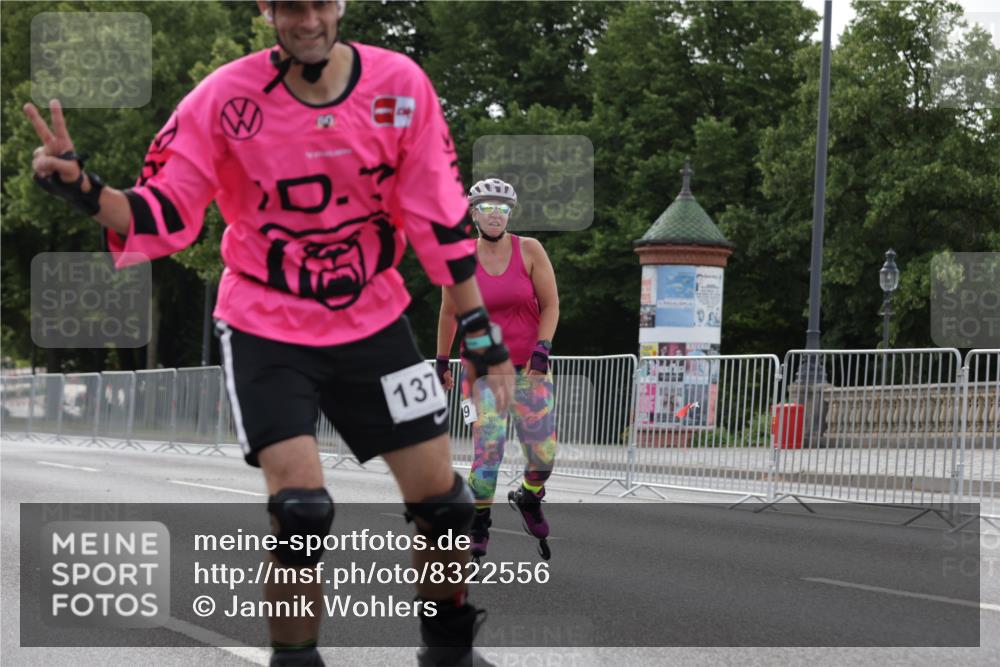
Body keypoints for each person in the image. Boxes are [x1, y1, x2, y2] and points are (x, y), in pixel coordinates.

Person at [24, 2, 513, 665]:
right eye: (288, 5)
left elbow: (438, 216)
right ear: (266, 10)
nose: (305, 19)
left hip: (370, 317)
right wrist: (85, 187)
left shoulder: (399, 87)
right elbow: (165, 206)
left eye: (318, 3)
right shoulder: (225, 98)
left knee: (445, 504)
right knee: (303, 510)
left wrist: (481, 339)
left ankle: (448, 650)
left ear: (339, 4)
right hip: (266, 323)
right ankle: (294, 659)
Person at [436, 178, 559, 562]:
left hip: (530, 369)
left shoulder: (531, 250)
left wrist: (543, 349)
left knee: (543, 456)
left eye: (502, 209)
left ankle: (528, 496)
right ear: (473, 213)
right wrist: (442, 362)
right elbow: (449, 313)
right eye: (487, 208)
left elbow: (551, 305)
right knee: (487, 454)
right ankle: (479, 522)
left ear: (510, 214)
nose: (494, 215)